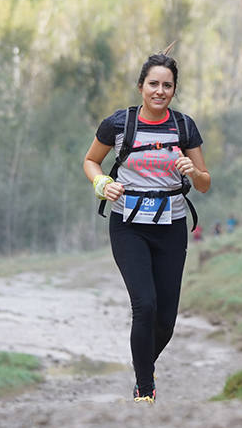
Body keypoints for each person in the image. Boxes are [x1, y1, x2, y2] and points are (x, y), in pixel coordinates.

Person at [83, 51, 210, 403]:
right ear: (141, 87)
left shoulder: (184, 127)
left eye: (167, 85)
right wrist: (102, 184)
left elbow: (204, 183)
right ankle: (145, 389)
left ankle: (143, 366)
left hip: (171, 225)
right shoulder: (119, 124)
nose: (160, 91)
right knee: (145, 304)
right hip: (128, 224)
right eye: (153, 84)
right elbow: (92, 161)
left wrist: (192, 171)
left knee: (166, 320)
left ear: (173, 90)